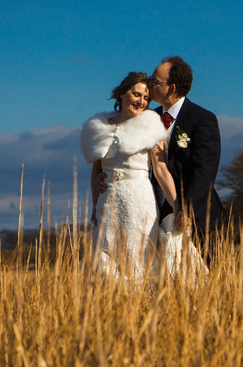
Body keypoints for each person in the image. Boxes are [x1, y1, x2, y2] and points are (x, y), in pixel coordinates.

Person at [81, 71, 204, 280]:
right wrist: (95, 205)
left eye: (146, 98)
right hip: (107, 203)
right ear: (122, 93)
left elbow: (161, 170)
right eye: (137, 94)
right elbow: (96, 170)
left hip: (138, 201)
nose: (141, 101)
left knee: (136, 260)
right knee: (103, 261)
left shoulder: (152, 127)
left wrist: (178, 207)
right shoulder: (101, 127)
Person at [147, 56, 224, 263]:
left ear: (171, 88)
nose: (149, 85)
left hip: (196, 218)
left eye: (155, 81)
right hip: (154, 214)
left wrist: (186, 209)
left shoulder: (202, 119)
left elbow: (205, 171)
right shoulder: (148, 118)